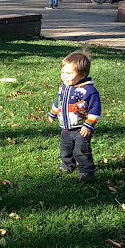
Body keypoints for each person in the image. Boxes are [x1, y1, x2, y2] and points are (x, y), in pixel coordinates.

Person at [47, 50, 101, 181]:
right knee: (65, 148)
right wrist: (53, 113)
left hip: (81, 128)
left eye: (69, 73)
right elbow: (59, 101)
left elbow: (95, 109)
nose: (64, 76)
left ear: (82, 74)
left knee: (81, 150)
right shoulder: (64, 87)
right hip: (66, 127)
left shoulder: (89, 91)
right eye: (63, 72)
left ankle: (86, 171)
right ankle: (67, 165)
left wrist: (88, 125)